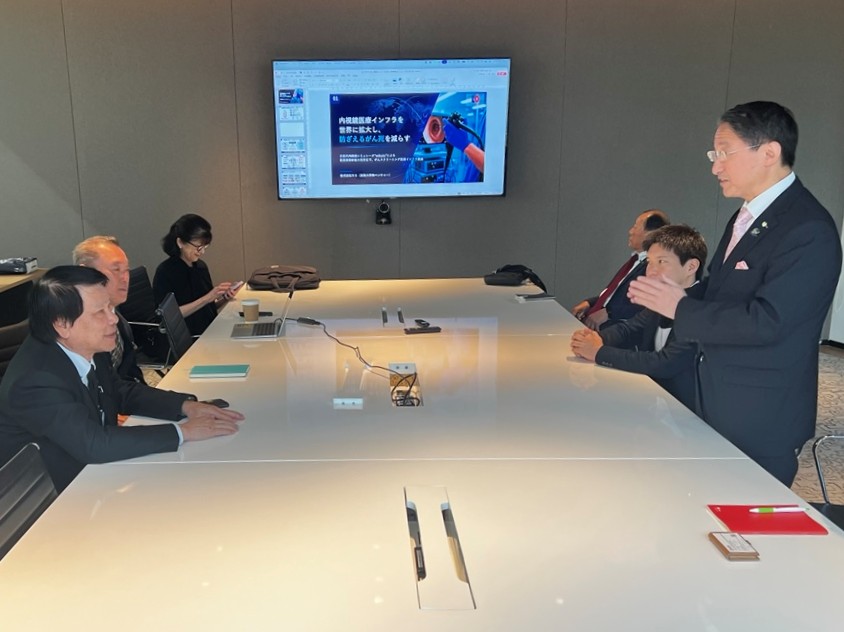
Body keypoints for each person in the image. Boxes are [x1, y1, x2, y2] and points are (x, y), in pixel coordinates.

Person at [628, 101, 842, 486]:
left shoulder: (808, 229)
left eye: (725, 153)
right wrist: (670, 297)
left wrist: (680, 308)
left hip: (760, 416)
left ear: (769, 153)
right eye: (714, 155)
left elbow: (769, 322)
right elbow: (720, 291)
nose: (716, 166)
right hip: (718, 401)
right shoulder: (747, 216)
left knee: (745, 514)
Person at [0, 266, 244, 492]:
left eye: (110, 308)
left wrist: (184, 406)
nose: (113, 319)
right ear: (62, 324)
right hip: (46, 499)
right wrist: (182, 432)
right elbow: (93, 444)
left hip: (96, 474)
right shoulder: (35, 381)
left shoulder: (87, 344)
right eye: (100, 312)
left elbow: (118, 390)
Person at [571, 225, 707, 410]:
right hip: (654, 401)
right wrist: (595, 339)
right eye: (649, 262)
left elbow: (665, 363)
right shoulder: (662, 297)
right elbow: (630, 329)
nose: (651, 271)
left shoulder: (701, 308)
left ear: (691, 266)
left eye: (662, 261)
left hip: (686, 413)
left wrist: (598, 352)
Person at [571, 209, 669, 330]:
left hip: (615, 331)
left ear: (650, 234)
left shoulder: (654, 267)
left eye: (635, 227)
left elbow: (647, 305)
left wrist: (609, 313)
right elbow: (614, 295)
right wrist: (590, 303)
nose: (630, 231)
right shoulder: (635, 261)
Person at [153, 214, 240, 336]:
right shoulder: (165, 272)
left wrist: (224, 298)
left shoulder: (200, 267)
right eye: (198, 247)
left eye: (205, 247)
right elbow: (168, 316)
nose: (202, 252)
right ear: (180, 242)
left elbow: (207, 308)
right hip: (189, 337)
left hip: (210, 330)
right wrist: (207, 298)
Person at [72, 235, 145, 383]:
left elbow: (130, 373)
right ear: (85, 273)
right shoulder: (76, 329)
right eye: (116, 269)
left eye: (126, 270)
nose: (125, 278)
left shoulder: (117, 316)